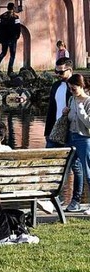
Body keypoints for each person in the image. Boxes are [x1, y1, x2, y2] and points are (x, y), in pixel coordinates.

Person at [45, 58, 83, 212]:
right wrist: (47, 131)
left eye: (61, 72)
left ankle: (76, 199)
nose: (58, 74)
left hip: (72, 132)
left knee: (75, 166)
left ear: (70, 70)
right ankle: (55, 198)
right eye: (56, 71)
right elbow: (51, 109)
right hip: (56, 130)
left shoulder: (76, 88)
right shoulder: (56, 86)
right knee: (51, 164)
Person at [64, 74, 90, 216]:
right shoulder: (71, 99)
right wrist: (65, 113)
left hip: (84, 139)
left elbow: (89, 124)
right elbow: (70, 119)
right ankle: (75, 201)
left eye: (74, 89)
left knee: (88, 172)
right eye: (70, 89)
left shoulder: (88, 101)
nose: (72, 91)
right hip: (71, 138)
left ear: (81, 86)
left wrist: (81, 112)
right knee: (71, 168)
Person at [0, 2, 21, 76]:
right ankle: (10, 70)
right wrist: (17, 36)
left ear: (7, 8)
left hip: (4, 37)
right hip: (12, 38)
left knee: (3, 52)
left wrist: (2, 34)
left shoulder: (1, 16)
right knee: (12, 54)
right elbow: (18, 28)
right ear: (13, 8)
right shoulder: (16, 17)